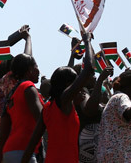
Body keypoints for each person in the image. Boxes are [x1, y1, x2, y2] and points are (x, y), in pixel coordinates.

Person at [20, 33, 95, 163]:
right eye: (76, 82)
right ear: (68, 85)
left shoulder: (48, 107)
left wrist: (72, 55)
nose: (78, 85)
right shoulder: (63, 101)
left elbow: (32, 143)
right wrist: (87, 41)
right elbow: (88, 69)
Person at [0, 53, 42, 163]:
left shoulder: (11, 95)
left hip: (9, 152)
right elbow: (42, 119)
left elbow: (2, 137)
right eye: (37, 67)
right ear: (30, 69)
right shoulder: (28, 87)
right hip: (25, 152)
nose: (38, 71)